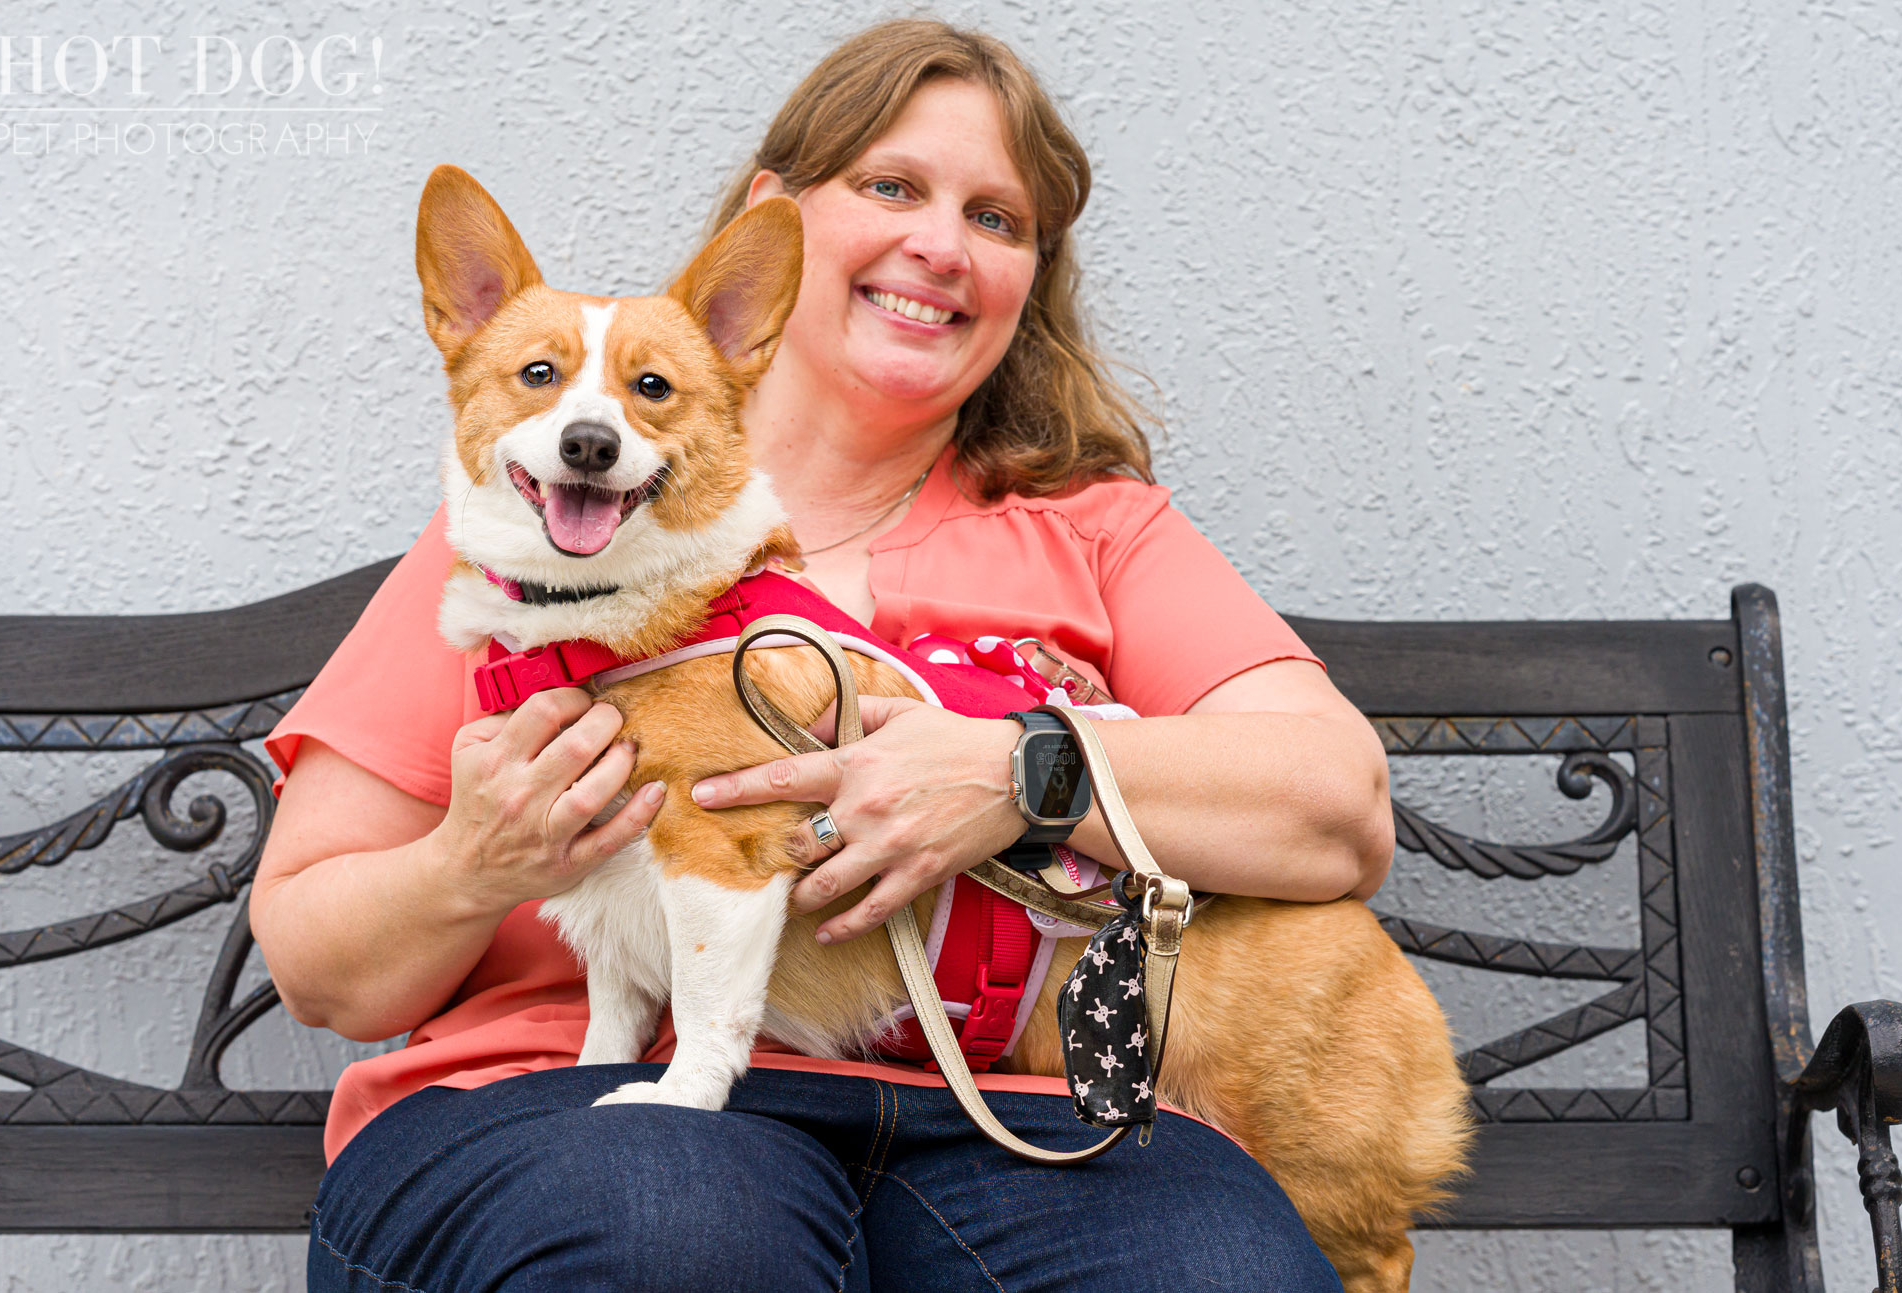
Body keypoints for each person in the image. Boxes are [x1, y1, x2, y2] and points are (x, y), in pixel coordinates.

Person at [256, 19, 1389, 1291]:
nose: (940, 246)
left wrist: (1017, 768)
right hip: (564, 1098)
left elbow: (1337, 811)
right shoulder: (533, 547)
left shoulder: (1096, 528)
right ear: (773, 229)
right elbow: (317, 963)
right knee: (681, 1241)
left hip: (1001, 1106)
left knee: (1207, 1275)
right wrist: (475, 863)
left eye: (998, 218)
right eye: (892, 186)